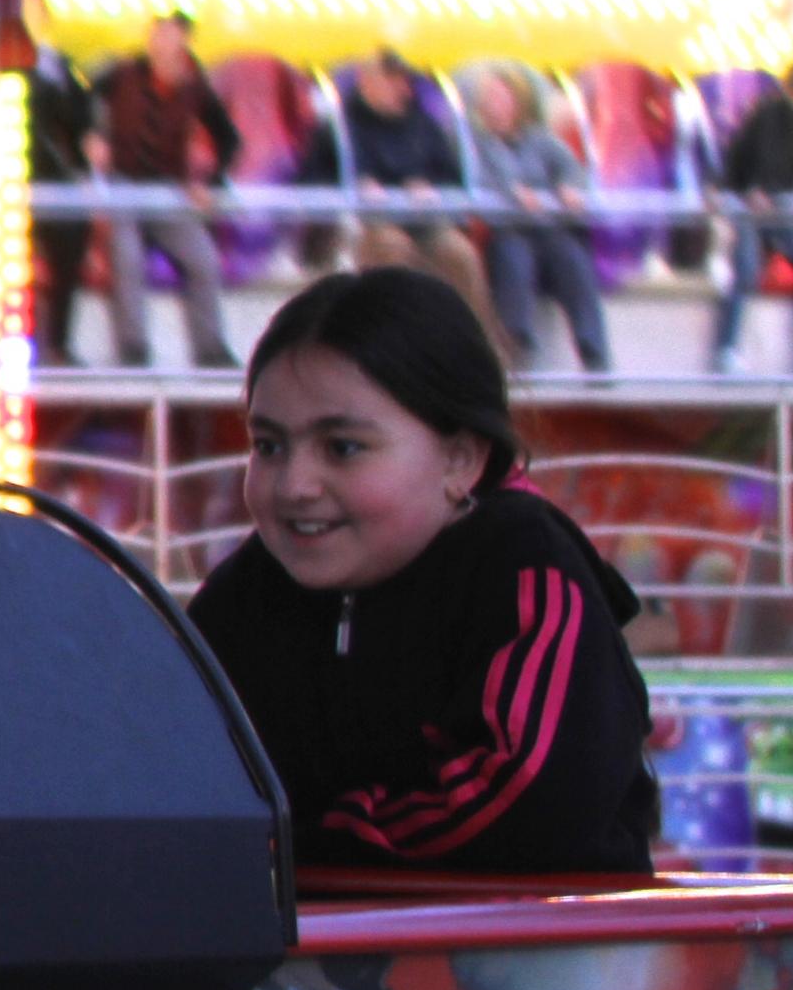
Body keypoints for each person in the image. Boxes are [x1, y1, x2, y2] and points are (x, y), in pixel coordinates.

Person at [188, 268, 655, 874]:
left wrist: (297, 850)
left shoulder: (522, 564)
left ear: (460, 459)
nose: (295, 485)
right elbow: (165, 762)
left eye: (343, 447)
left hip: (531, 934)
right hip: (301, 931)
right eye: (268, 446)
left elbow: (531, 801)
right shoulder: (245, 595)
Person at [88, 11, 240, 370]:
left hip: (168, 189)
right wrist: (94, 135)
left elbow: (229, 139)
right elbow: (86, 100)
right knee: (126, 255)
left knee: (202, 259)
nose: (159, 43)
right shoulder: (122, 73)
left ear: (183, 41)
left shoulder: (196, 87)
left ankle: (210, 349)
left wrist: (209, 182)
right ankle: (133, 349)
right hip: (123, 184)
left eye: (168, 36)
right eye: (156, 35)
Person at [468, 67, 613, 376]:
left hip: (545, 229)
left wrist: (568, 187)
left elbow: (571, 169)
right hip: (505, 230)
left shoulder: (540, 140)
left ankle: (594, 351)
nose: (495, 106)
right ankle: (517, 345)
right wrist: (512, 192)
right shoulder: (475, 143)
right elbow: (476, 179)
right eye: (490, 98)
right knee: (514, 256)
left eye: (502, 98)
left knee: (571, 257)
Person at [330, 49, 490, 326]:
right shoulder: (342, 126)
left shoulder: (422, 124)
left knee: (459, 253)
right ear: (366, 81)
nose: (403, 89)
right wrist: (360, 183)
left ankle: (473, 334)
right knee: (392, 247)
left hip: (422, 218)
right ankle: (397, 331)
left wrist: (430, 186)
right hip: (368, 222)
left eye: (404, 80)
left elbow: (450, 175)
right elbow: (323, 173)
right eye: (392, 80)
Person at [712, 55, 793, 375]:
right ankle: (726, 349)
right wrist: (749, 190)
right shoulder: (767, 114)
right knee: (745, 268)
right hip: (751, 213)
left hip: (781, 217)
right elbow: (742, 158)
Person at [24, 43, 96, 367]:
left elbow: (80, 123)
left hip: (53, 183)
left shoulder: (58, 66)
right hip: (6, 179)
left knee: (71, 237)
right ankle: (25, 339)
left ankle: (58, 342)